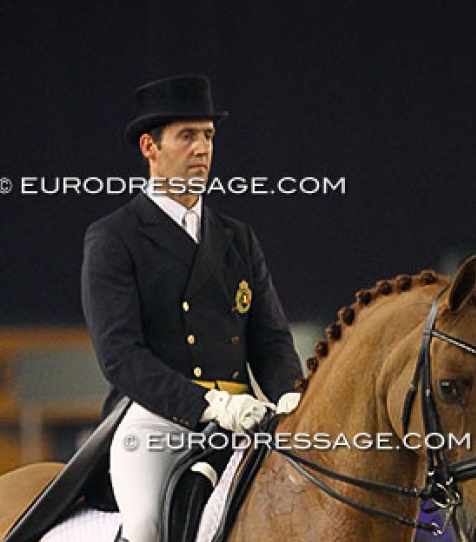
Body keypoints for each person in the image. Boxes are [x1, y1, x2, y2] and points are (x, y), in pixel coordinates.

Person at [81, 74, 304, 542]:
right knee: (145, 525)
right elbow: (120, 355)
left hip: (246, 416)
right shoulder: (115, 238)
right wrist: (208, 404)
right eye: (187, 136)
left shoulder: (237, 238)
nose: (202, 148)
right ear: (150, 147)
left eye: (208, 135)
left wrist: (289, 396)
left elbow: (270, 338)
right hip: (157, 420)